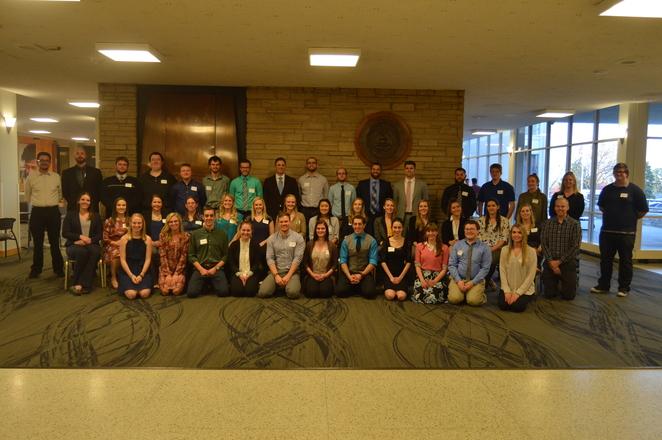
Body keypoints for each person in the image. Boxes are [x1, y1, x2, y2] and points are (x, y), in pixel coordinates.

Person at [591, 163, 649, 297]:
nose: (619, 174)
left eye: (622, 172)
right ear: (614, 173)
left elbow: (643, 210)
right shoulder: (607, 190)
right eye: (617, 172)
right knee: (605, 261)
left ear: (627, 173)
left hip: (626, 234)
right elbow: (602, 207)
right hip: (607, 232)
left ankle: (623, 288)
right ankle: (603, 285)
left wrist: (629, 218)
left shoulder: (636, 191)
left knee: (625, 262)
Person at [25, 151, 65, 278]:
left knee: (54, 242)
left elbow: (60, 194)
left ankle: (58, 269)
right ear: (38, 162)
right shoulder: (31, 177)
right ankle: (36, 269)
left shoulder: (56, 177)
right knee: (38, 243)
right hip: (37, 212)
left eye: (46, 160)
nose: (44, 162)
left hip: (53, 212)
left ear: (50, 162)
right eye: (41, 160)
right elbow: (27, 195)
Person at [540, 197, 581, 300]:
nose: (560, 208)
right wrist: (551, 262)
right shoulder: (547, 223)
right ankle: (556, 281)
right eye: (558, 206)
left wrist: (559, 262)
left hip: (567, 262)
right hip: (550, 261)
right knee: (549, 294)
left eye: (563, 206)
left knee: (568, 296)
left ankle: (566, 281)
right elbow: (544, 244)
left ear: (567, 207)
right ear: (554, 208)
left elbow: (575, 246)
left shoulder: (575, 224)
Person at [61, 192, 102, 294]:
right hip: (74, 244)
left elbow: (100, 234)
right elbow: (65, 233)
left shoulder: (96, 216)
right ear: (78, 201)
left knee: (94, 252)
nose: (85, 202)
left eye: (88, 200)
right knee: (82, 252)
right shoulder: (70, 215)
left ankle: (82, 283)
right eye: (83, 199)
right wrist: (79, 237)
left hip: (92, 244)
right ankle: (79, 282)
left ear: (90, 202)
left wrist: (90, 240)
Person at [258, 212, 305, 299]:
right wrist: (276, 275)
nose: (284, 224)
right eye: (281, 222)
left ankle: (283, 286)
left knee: (293, 293)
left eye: (286, 221)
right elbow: (269, 258)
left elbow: (297, 258)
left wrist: (288, 275)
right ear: (278, 223)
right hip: (276, 272)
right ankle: (279, 285)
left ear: (290, 222)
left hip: (292, 272)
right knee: (263, 293)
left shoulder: (298, 238)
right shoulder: (271, 239)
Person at [187, 206, 230, 298]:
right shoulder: (195, 234)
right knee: (191, 293)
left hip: (216, 268)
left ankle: (209, 284)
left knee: (224, 292)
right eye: (207, 216)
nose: (209, 218)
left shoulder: (222, 234)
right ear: (203, 217)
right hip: (200, 268)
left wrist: (215, 268)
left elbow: (225, 255)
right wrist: (201, 269)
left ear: (215, 217)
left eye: (211, 215)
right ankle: (208, 284)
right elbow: (191, 255)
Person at [447, 220, 492, 306]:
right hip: (459, 278)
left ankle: (476, 294)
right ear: (464, 231)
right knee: (454, 299)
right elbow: (452, 265)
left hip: (475, 280)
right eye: (467, 229)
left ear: (478, 231)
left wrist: (472, 282)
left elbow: (485, 268)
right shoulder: (457, 245)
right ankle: (464, 294)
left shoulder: (485, 248)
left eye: (472, 229)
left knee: (473, 301)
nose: (469, 231)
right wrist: (458, 281)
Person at [336, 215, 379, 299]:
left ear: (364, 225)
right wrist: (349, 276)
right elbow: (343, 261)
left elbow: (373, 261)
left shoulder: (372, 240)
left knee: (370, 293)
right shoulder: (346, 240)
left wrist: (361, 275)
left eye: (360, 224)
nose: (357, 226)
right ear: (352, 225)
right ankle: (358, 288)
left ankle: (356, 287)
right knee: (339, 292)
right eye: (355, 224)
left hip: (364, 273)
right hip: (349, 272)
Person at [498, 224, 538, 312]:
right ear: (511, 234)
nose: (516, 235)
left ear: (524, 234)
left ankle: (528, 297)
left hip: (525, 289)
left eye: (519, 232)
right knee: (503, 306)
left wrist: (518, 293)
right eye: (514, 232)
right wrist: (507, 291)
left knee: (517, 307)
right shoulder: (504, 250)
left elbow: (531, 275)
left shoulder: (531, 251)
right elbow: (502, 270)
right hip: (508, 287)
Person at [118, 213, 153, 299]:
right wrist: (131, 275)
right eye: (134, 223)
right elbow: (122, 260)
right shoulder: (124, 239)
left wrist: (141, 275)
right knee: (131, 295)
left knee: (144, 294)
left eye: (139, 223)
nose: (136, 225)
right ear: (130, 223)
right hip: (128, 269)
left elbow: (148, 259)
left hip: (143, 269)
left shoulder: (148, 239)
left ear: (143, 224)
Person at [477, 199, 510, 291]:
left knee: (490, 261)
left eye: (493, 205)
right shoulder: (481, 220)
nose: (491, 208)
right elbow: (478, 237)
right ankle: (484, 281)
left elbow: (503, 239)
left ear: (498, 207)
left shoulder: (504, 221)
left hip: (497, 249)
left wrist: (491, 249)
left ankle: (484, 284)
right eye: (488, 206)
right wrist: (484, 249)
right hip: (482, 248)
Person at [412, 223, 449, 304]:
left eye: (433, 231)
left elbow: (444, 269)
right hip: (423, 276)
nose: (431, 233)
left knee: (435, 294)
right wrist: (422, 280)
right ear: (425, 233)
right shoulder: (419, 246)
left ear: (437, 232)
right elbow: (417, 266)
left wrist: (435, 281)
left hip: (438, 277)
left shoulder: (444, 248)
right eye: (428, 231)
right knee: (420, 292)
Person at [227, 220, 265, 297]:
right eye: (243, 230)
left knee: (250, 292)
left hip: (251, 273)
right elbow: (231, 263)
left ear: (251, 231)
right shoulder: (233, 245)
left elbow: (257, 263)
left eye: (248, 230)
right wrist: (240, 275)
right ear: (239, 231)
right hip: (237, 273)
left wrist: (248, 275)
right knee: (237, 292)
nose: (245, 232)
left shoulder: (255, 245)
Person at [303, 220, 338, 298]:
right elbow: (305, 263)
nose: (320, 230)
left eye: (323, 228)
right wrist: (313, 275)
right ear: (315, 230)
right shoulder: (309, 244)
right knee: (311, 293)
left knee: (325, 293)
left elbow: (335, 264)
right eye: (318, 228)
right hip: (313, 274)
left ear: (326, 230)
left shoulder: (332, 246)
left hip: (326, 274)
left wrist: (325, 275)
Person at [61, 146, 103, 212]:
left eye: (82, 153)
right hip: (73, 208)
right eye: (77, 153)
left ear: (86, 155)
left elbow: (100, 190)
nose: (80, 155)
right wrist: (74, 202)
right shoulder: (66, 173)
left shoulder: (96, 172)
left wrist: (92, 202)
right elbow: (65, 191)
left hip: (92, 208)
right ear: (74, 156)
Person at [356, 162, 393, 235]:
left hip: (381, 215)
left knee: (380, 235)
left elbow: (390, 200)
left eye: (378, 169)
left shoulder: (386, 185)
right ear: (371, 170)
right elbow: (358, 199)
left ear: (380, 171)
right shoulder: (362, 184)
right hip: (366, 215)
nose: (375, 171)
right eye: (374, 169)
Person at [380, 218, 412, 301]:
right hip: (389, 274)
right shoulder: (386, 241)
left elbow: (409, 261)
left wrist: (400, 277)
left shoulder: (407, 242)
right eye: (395, 227)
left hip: (402, 274)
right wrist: (391, 277)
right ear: (391, 228)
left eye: (399, 227)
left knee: (401, 296)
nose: (397, 230)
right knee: (390, 296)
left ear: (402, 228)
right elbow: (383, 261)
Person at [158, 212, 190, 296]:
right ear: (168, 223)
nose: (173, 223)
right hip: (166, 268)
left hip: (180, 269)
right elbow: (162, 255)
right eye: (171, 222)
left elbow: (184, 256)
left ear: (179, 222)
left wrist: (176, 273)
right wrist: (167, 274)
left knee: (176, 291)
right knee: (165, 291)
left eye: (175, 221)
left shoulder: (186, 236)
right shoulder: (163, 236)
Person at [103, 197, 129, 289]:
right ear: (115, 207)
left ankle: (128, 277)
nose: (121, 207)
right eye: (119, 205)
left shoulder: (130, 220)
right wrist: (115, 243)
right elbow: (105, 238)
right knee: (116, 253)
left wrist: (124, 242)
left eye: (123, 205)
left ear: (126, 207)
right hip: (112, 245)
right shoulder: (109, 221)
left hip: (127, 244)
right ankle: (114, 277)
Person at [393, 160, 429, 225]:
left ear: (414, 170)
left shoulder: (422, 185)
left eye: (411, 168)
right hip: (401, 216)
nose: (409, 170)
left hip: (417, 216)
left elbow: (426, 201)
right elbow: (395, 202)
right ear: (404, 170)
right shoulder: (397, 185)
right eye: (407, 168)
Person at [298, 156, 329, 222]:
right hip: (304, 209)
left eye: (313, 163)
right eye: (309, 163)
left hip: (318, 209)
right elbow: (299, 194)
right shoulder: (301, 179)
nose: (311, 164)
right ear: (306, 165)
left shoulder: (323, 179)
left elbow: (326, 195)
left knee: (318, 227)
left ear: (317, 165)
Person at [145, 194, 166, 288]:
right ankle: (154, 280)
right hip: (149, 242)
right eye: (154, 202)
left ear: (162, 204)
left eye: (159, 202)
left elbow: (169, 230)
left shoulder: (166, 215)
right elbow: (143, 231)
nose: (157, 204)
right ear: (151, 203)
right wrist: (152, 242)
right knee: (153, 252)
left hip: (163, 243)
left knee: (162, 253)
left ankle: (163, 278)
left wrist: (162, 242)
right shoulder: (146, 215)